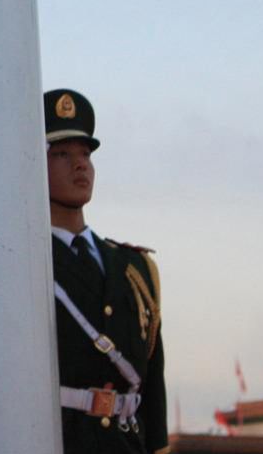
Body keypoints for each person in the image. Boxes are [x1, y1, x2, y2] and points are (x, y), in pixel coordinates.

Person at [46, 89, 167, 454]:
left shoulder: (135, 270)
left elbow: (153, 386)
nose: (80, 165)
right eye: (62, 154)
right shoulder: (19, 263)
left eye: (85, 154)